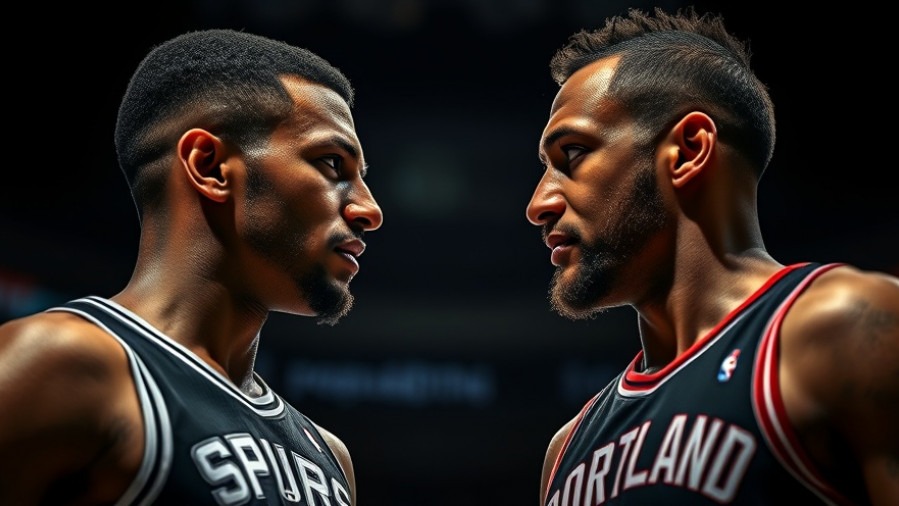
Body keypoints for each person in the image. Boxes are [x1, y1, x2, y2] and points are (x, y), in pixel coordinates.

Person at [527, 7, 899, 506]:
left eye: (572, 153)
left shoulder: (852, 327)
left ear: (687, 150)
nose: (538, 204)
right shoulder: (565, 450)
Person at [0, 28, 382, 505]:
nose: (370, 210)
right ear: (210, 165)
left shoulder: (329, 457)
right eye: (332, 164)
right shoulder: (60, 362)